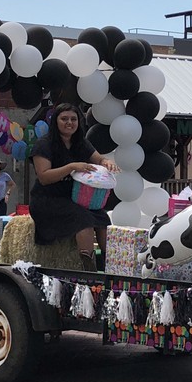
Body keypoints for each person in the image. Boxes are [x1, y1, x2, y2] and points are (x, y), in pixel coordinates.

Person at [29, 103, 119, 272]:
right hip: (47, 200)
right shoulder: (44, 145)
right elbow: (44, 177)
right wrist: (71, 167)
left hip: (73, 199)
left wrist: (107, 163)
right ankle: (89, 271)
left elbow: (99, 159)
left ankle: (110, 267)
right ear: (56, 121)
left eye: (73, 119)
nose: (69, 122)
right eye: (64, 119)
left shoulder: (81, 143)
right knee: (83, 219)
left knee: (103, 218)